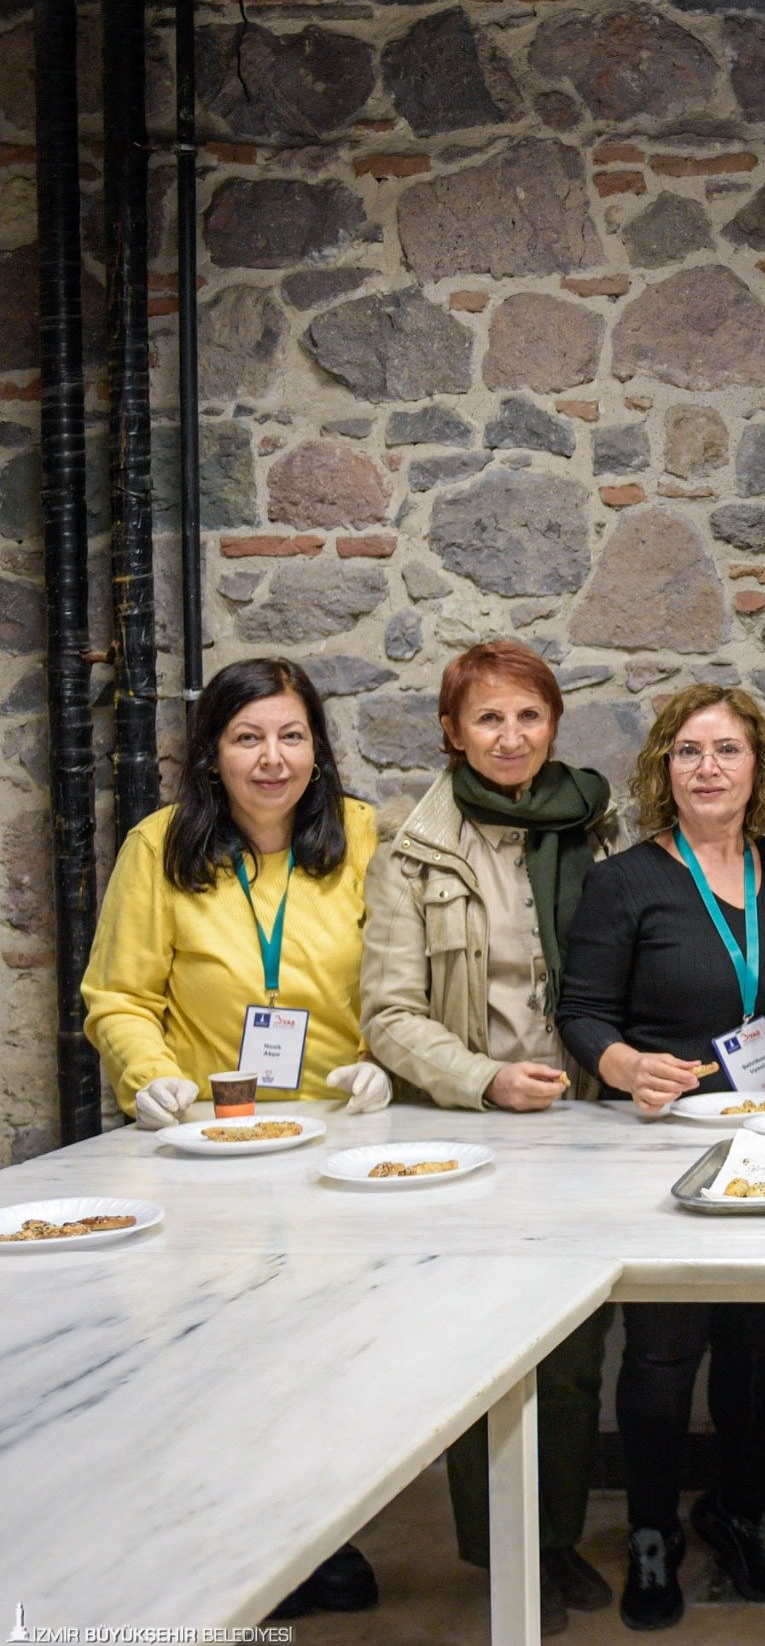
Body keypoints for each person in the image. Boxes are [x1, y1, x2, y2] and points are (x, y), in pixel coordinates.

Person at [83, 655, 390, 1623]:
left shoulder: (362, 836)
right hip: (207, 1142)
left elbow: (398, 975)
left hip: (335, 1142)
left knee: (326, 1346)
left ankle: (320, 1533)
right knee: (219, 1351)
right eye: (247, 737)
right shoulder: (159, 846)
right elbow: (117, 995)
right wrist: (149, 1075)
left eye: (291, 735)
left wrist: (386, 1059)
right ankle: (228, 1545)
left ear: (318, 748)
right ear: (212, 752)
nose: (272, 758)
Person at [359, 639, 618, 1636]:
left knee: (576, 1351)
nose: (511, 737)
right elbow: (390, 1014)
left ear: (554, 724)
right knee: (484, 1348)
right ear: (451, 732)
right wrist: (484, 1080)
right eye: (488, 718)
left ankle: (555, 1538)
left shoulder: (596, 827)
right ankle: (502, 1546)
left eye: (529, 716)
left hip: (583, 1127)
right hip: (474, 1133)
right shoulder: (414, 852)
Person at [558, 685, 765, 1630]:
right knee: (664, 1351)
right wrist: (623, 1065)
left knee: (755, 1347)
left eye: (728, 751)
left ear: (758, 767)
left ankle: (745, 1513)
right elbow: (582, 1011)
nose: (709, 768)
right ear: (664, 768)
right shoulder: (626, 881)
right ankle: (652, 1531)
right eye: (689, 751)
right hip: (664, 1149)